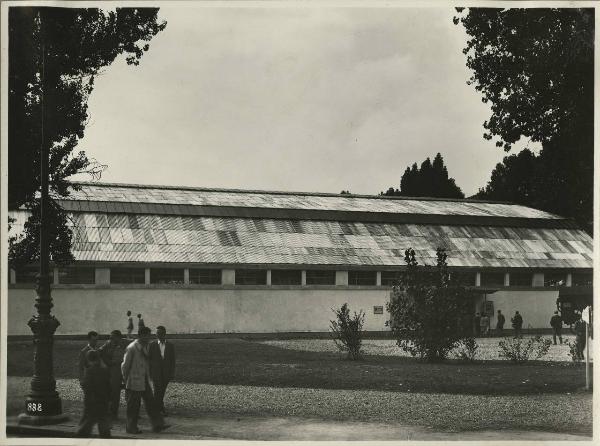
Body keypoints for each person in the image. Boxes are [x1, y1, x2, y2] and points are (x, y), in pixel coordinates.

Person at [121, 326, 168, 434]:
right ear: (141, 335)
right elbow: (124, 366)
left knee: (151, 403)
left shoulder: (146, 347)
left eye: (149, 336)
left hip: (144, 380)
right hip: (133, 381)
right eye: (146, 336)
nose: (148, 338)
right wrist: (125, 381)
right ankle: (131, 427)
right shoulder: (132, 348)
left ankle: (158, 425)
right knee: (133, 406)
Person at [76, 350, 111, 438]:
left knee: (88, 422)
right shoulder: (105, 370)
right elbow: (109, 386)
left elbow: (87, 387)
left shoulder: (89, 371)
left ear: (88, 359)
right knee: (103, 421)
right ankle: (106, 439)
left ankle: (79, 438)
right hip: (103, 400)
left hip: (93, 401)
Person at [149, 326, 176, 415]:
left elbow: (172, 360)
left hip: (166, 373)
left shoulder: (170, 345)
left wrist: (171, 373)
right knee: (157, 391)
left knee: (162, 391)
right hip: (156, 373)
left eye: (160, 333)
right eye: (157, 333)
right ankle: (158, 410)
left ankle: (158, 407)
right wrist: (150, 372)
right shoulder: (152, 345)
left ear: (164, 334)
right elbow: (149, 359)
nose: (158, 335)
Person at [99, 330, 126, 419]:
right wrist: (107, 362)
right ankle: (109, 412)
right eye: (110, 338)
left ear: (119, 337)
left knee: (117, 393)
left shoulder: (124, 343)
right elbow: (100, 351)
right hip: (110, 370)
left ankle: (114, 413)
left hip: (120, 371)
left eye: (113, 337)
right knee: (110, 392)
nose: (111, 339)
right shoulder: (108, 344)